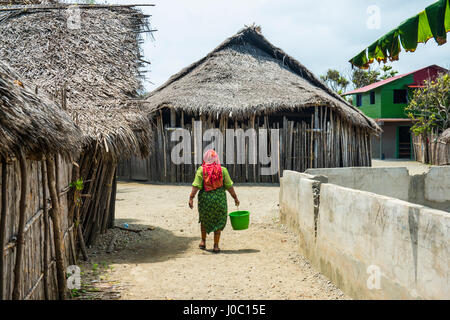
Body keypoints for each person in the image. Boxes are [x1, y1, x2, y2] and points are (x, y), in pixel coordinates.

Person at [188, 149, 239, 253]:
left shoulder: (201, 170)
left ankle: (203, 241)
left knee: (204, 219)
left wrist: (191, 197)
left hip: (205, 200)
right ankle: (216, 246)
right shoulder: (223, 170)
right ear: (216, 158)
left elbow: (196, 185)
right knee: (218, 221)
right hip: (219, 200)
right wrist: (235, 198)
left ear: (205, 158)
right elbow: (229, 186)